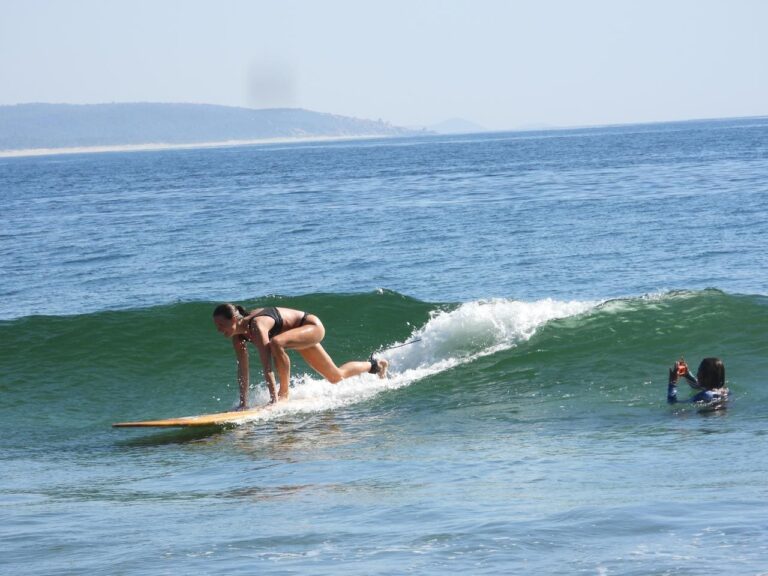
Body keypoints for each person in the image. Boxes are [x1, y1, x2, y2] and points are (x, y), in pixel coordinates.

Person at [212, 303, 388, 409]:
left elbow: (267, 365)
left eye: (221, 324)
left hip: (311, 326)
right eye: (217, 326)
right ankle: (375, 365)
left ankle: (284, 394)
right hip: (296, 336)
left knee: (276, 343)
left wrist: (275, 400)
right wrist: (244, 403)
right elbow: (242, 369)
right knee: (336, 377)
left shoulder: (257, 326)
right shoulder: (238, 336)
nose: (219, 330)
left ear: (234, 319)